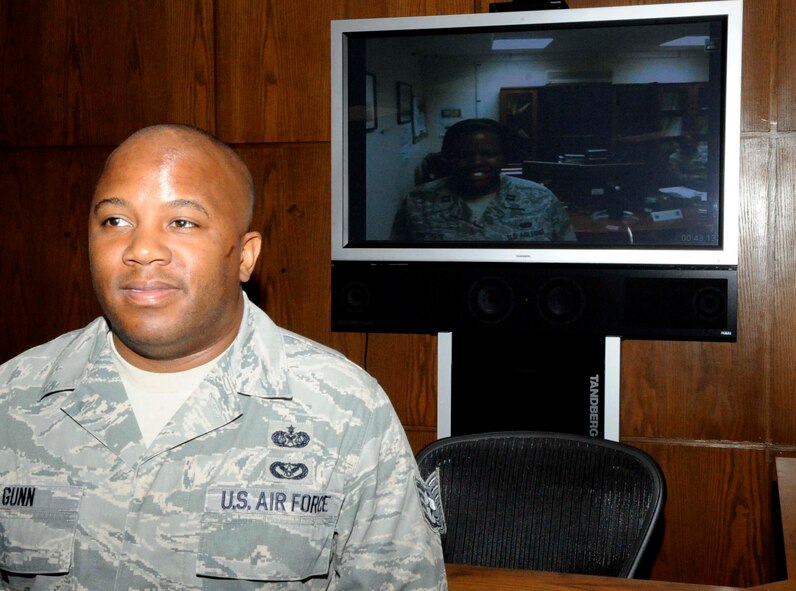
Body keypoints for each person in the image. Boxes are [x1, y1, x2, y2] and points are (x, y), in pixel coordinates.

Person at [0, 124, 447, 590]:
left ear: (245, 257)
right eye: (115, 221)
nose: (142, 250)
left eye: (182, 223)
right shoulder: (15, 398)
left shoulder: (346, 409)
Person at [390, 118, 576, 242]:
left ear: (503, 157)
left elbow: (568, 257)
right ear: (449, 157)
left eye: (488, 154)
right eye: (464, 155)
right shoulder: (418, 201)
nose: (477, 163)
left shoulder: (540, 198)